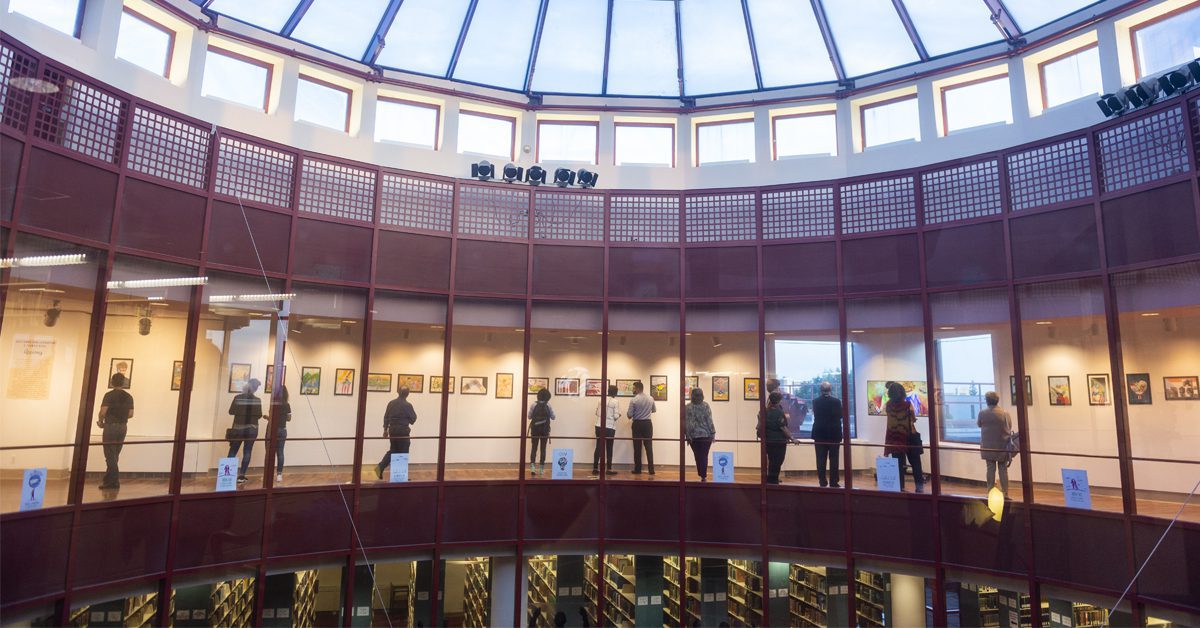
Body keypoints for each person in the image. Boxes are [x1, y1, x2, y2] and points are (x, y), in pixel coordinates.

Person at [883, 381, 924, 492]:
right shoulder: (907, 405)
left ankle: (900, 487)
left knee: (898, 465)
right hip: (909, 436)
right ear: (902, 392)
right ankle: (919, 487)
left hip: (895, 437)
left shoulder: (888, 405)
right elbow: (913, 419)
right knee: (916, 463)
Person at [97, 372, 134, 490]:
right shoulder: (129, 397)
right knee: (115, 454)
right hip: (123, 427)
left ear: (112, 382)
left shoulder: (109, 395)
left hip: (111, 426)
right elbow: (131, 414)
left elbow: (103, 411)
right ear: (123, 382)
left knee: (109, 454)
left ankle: (114, 480)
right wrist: (121, 417)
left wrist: (101, 421)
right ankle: (109, 481)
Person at [227, 378, 264, 484]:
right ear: (255, 389)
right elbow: (259, 415)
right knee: (247, 451)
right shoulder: (257, 400)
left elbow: (231, 411)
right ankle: (241, 476)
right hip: (252, 429)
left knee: (233, 450)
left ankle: (228, 476)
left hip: (238, 428)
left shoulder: (238, 397)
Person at [375, 386, 417, 480]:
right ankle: (400, 477)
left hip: (392, 430)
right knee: (403, 452)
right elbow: (413, 419)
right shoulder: (407, 405)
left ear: (398, 392)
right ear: (408, 394)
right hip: (403, 431)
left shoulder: (391, 403)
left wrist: (385, 430)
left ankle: (380, 467)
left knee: (394, 450)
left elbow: (386, 417)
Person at [977, 391, 1013, 496]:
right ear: (997, 401)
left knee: (990, 468)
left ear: (987, 401)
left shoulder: (982, 413)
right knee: (1003, 469)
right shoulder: (1005, 413)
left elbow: (979, 424)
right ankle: (1005, 492)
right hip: (1002, 445)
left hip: (988, 446)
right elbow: (1009, 426)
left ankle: (990, 492)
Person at [811, 381, 843, 488]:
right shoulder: (836, 401)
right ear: (830, 390)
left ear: (821, 390)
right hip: (834, 433)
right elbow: (840, 415)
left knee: (820, 459)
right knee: (834, 459)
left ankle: (822, 481)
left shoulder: (815, 401)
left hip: (819, 433)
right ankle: (834, 482)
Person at [762, 391, 798, 484]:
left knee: (771, 460)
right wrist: (792, 438)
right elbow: (782, 426)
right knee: (778, 460)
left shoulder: (766, 410)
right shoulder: (779, 412)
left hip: (768, 439)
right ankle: (773, 480)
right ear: (779, 400)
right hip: (779, 440)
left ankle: (770, 479)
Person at [684, 387, 716, 481]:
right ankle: (703, 475)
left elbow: (687, 423)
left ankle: (702, 474)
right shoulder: (706, 405)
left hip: (694, 437)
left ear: (692, 396)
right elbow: (709, 420)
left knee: (698, 456)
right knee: (704, 455)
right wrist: (713, 433)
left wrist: (688, 435)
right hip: (706, 435)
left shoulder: (688, 407)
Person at [627, 381, 656, 475]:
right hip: (648, 424)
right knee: (649, 447)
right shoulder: (651, 398)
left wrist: (635, 413)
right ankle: (651, 470)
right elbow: (654, 410)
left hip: (637, 424)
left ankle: (638, 469)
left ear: (638, 388)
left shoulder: (634, 400)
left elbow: (629, 415)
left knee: (637, 447)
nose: (633, 390)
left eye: (634, 388)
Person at [593, 385, 619, 476]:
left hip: (598, 426)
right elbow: (615, 416)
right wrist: (619, 415)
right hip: (610, 427)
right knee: (609, 447)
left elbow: (596, 413)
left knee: (598, 447)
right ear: (615, 392)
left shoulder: (600, 400)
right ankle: (609, 469)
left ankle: (595, 468)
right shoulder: (615, 401)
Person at [528, 388, 555, 476]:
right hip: (545, 430)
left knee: (534, 448)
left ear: (538, 395)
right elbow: (553, 417)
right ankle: (541, 469)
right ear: (548, 397)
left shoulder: (533, 405)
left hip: (535, 430)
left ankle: (532, 468)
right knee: (543, 449)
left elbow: (529, 416)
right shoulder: (549, 405)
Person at [273, 385, 291, 483]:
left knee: (270, 453)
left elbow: (272, 418)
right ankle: (279, 475)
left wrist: (267, 417)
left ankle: (269, 474)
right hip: (283, 430)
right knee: (280, 452)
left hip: (274, 430)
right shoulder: (287, 404)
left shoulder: (275, 403)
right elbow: (289, 418)